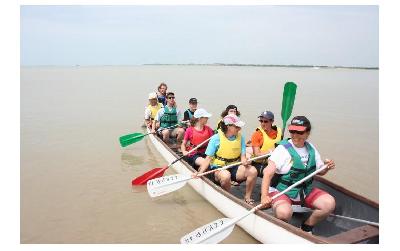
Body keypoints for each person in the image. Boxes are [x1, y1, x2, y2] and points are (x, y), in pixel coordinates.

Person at [260, 116, 336, 233]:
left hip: (305, 191)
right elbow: (267, 173)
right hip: (283, 191)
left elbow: (320, 172)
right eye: (292, 131)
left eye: (299, 132)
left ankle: (306, 227)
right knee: (284, 213)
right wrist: (264, 197)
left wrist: (327, 167)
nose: (295, 135)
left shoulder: (311, 148)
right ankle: (281, 230)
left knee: (329, 203)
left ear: (307, 133)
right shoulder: (282, 150)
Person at [197, 114, 258, 205]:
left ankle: (247, 196)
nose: (239, 128)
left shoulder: (241, 138)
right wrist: (200, 172)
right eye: (237, 126)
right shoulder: (215, 139)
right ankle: (228, 197)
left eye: (239, 126)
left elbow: (243, 156)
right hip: (218, 168)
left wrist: (246, 161)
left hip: (234, 166)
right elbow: (208, 159)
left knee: (252, 171)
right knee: (226, 176)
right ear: (228, 126)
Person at [251, 111, 283, 177]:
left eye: (265, 121)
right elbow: (257, 154)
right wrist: (271, 151)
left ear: (272, 121)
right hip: (260, 163)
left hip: (274, 162)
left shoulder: (279, 132)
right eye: (261, 121)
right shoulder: (257, 134)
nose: (262, 123)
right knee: (273, 172)